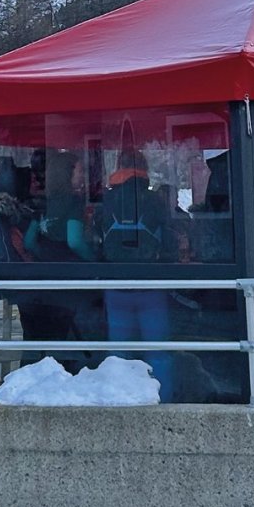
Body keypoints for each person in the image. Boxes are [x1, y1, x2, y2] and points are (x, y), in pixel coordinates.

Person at [99, 149, 176, 399]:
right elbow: (170, 243)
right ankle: (163, 400)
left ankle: (119, 400)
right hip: (150, 287)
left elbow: (94, 241)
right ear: (145, 171)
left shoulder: (106, 201)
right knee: (158, 353)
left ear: (118, 168)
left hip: (115, 286)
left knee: (118, 355)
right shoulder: (155, 201)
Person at [24, 150, 97, 262]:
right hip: (71, 268)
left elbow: (29, 242)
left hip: (47, 269)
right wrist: (96, 261)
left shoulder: (44, 202)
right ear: (67, 173)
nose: (83, 175)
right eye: (81, 171)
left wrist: (45, 257)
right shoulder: (74, 202)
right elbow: (75, 242)